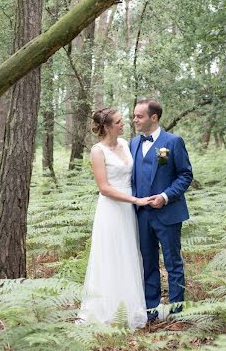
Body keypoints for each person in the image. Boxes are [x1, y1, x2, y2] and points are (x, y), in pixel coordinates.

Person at [78, 107, 150, 330]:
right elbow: (104, 188)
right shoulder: (97, 151)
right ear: (107, 126)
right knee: (111, 255)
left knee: (128, 253)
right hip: (111, 209)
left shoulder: (126, 145)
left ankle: (129, 307)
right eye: (118, 122)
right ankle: (107, 310)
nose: (124, 124)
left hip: (128, 209)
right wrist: (135, 200)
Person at [131, 98, 193, 322]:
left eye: (139, 116)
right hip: (141, 215)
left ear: (153, 118)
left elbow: (186, 175)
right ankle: (151, 311)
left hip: (168, 214)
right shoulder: (133, 144)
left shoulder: (173, 142)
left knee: (172, 262)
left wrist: (165, 196)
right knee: (147, 262)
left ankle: (177, 312)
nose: (135, 120)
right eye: (135, 116)